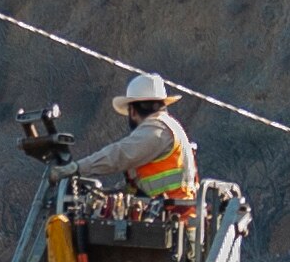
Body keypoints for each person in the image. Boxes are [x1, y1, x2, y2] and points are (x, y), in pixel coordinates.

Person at [47, 70, 200, 208]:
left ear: (132, 111)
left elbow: (119, 154)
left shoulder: (158, 129)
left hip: (173, 220)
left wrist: (78, 168)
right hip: (170, 217)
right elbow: (141, 184)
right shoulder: (168, 127)